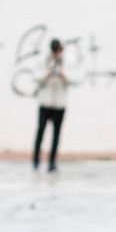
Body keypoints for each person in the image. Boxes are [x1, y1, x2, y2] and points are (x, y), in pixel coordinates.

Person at [33, 39, 69, 171]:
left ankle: (52, 162)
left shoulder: (66, 62)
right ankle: (36, 160)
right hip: (45, 102)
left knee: (56, 135)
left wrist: (63, 74)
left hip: (59, 104)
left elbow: (73, 79)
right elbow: (36, 77)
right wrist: (47, 73)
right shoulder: (43, 60)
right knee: (40, 132)